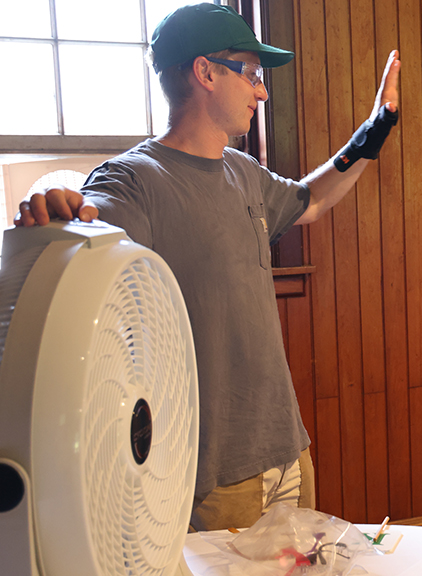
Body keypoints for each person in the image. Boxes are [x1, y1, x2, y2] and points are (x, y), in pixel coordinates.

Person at [16, 3, 400, 532]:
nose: (261, 92)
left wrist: (374, 130)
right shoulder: (134, 180)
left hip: (288, 450)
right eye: (252, 75)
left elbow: (310, 201)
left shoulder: (244, 170)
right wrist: (48, 203)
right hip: (212, 476)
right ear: (205, 72)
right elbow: (82, 223)